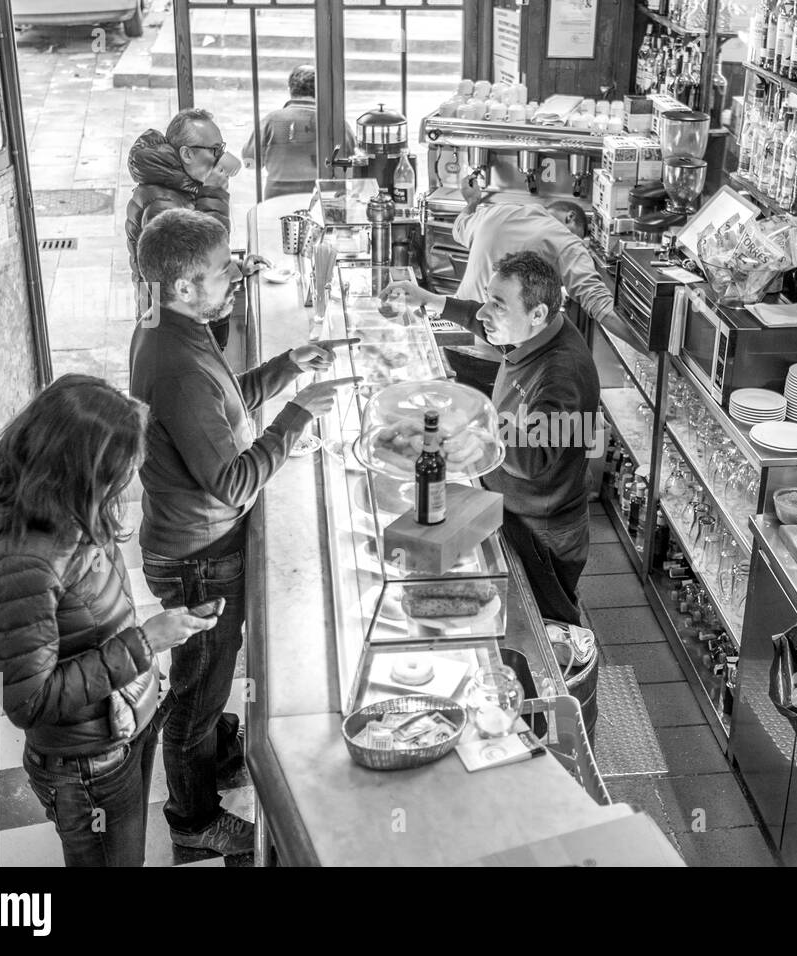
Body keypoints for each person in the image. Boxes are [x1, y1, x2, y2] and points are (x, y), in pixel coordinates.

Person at [131, 208, 352, 855]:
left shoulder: (174, 327)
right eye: (220, 269)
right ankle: (193, 819)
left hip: (200, 545)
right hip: (198, 557)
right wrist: (295, 418)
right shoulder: (174, 361)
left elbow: (227, 398)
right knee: (197, 696)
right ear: (181, 287)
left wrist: (289, 365)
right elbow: (231, 482)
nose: (236, 275)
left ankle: (216, 759)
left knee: (210, 682)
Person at [0, 375, 220, 867]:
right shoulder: (18, 565)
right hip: (88, 765)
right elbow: (30, 700)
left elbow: (82, 613)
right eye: (123, 466)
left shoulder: (53, 502)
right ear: (79, 470)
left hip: (118, 725)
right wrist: (144, 642)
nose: (133, 473)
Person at [382, 252, 600, 626]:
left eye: (497, 304)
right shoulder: (533, 332)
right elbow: (485, 323)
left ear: (538, 314)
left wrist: (476, 430)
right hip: (511, 505)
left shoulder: (563, 374)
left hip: (542, 532)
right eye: (488, 299)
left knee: (546, 622)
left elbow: (536, 458)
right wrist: (432, 301)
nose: (484, 313)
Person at [443, 178, 631, 395]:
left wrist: (472, 201)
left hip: (455, 343)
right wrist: (652, 351)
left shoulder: (495, 213)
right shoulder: (566, 241)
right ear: (571, 218)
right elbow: (600, 306)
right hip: (502, 360)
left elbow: (459, 226)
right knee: (503, 425)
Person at [125, 107, 264, 349]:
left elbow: (192, 262)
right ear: (187, 154)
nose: (223, 156)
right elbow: (202, 254)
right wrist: (214, 191)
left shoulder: (179, 185)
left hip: (184, 319)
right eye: (215, 150)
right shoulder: (162, 204)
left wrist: (236, 267)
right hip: (176, 333)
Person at [242, 64, 359, 200]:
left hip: (276, 199)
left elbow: (249, 161)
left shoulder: (271, 120)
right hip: (321, 197)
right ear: (321, 90)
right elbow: (353, 163)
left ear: (290, 89)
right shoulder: (337, 123)